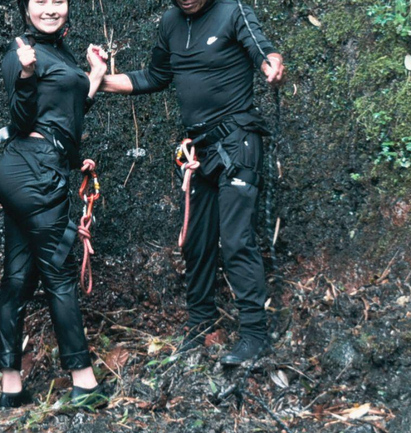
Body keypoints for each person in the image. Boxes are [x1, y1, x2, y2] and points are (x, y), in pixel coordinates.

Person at [100, 0, 285, 365]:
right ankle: (201, 325)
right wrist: (96, 82)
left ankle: (254, 335)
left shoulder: (233, 10)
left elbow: (261, 49)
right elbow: (155, 76)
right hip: (201, 150)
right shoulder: (170, 22)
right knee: (197, 242)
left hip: (239, 140)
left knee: (235, 239)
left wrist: (272, 64)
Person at [0, 0, 108, 408]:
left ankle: (11, 388)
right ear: (27, 8)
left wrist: (93, 76)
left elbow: (65, 113)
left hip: (34, 170)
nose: (50, 9)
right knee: (58, 274)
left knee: (19, 276)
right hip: (33, 170)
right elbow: (23, 120)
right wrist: (25, 74)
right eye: (40, 1)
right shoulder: (20, 51)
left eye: (58, 1)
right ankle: (84, 383)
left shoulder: (59, 52)